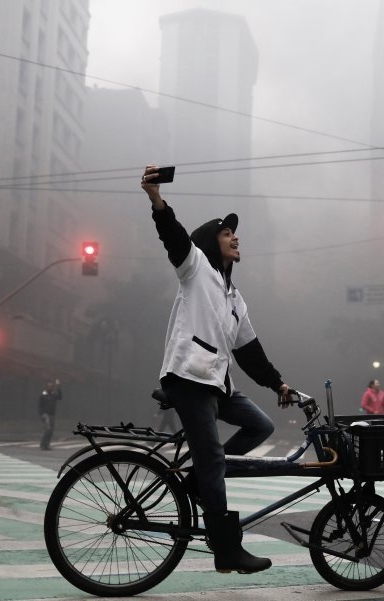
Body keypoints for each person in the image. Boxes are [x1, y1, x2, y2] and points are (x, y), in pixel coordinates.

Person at [142, 165, 289, 574]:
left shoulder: (235, 298)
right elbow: (172, 235)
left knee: (260, 426)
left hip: (216, 384)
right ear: (211, 242)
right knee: (211, 462)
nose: (235, 237)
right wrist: (157, 200)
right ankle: (226, 550)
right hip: (188, 379)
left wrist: (277, 383)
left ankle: (198, 480)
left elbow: (250, 351)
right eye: (227, 233)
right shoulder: (196, 269)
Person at [38, 379, 61, 450]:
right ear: (46, 387)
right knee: (47, 430)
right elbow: (40, 406)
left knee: (51, 431)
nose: (50, 388)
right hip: (46, 415)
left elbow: (60, 397)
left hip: (52, 415)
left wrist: (58, 387)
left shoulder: (53, 395)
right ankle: (42, 444)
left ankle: (47, 445)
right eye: (49, 386)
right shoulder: (43, 395)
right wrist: (41, 414)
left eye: (51, 386)